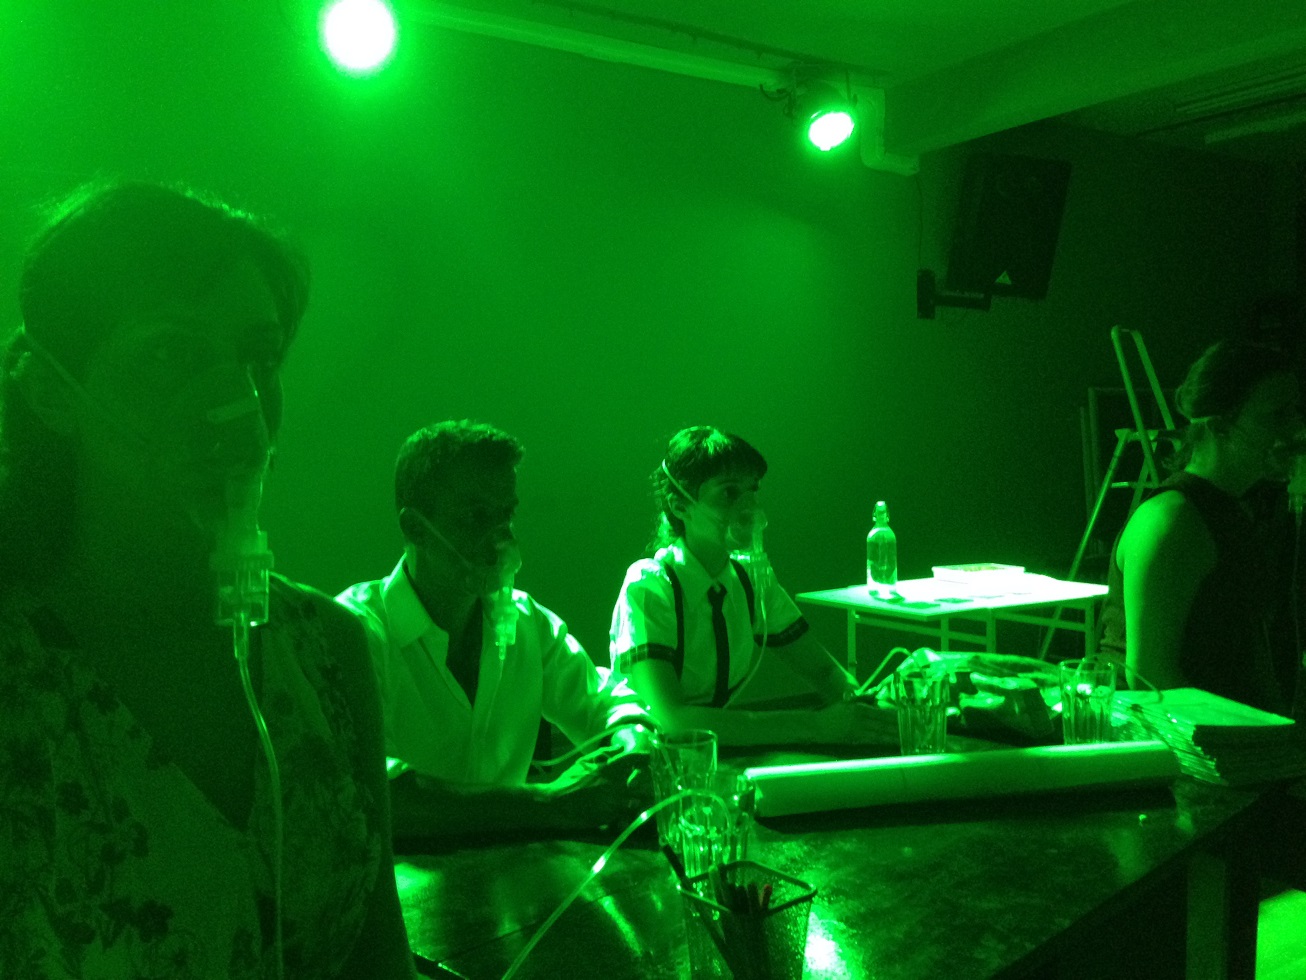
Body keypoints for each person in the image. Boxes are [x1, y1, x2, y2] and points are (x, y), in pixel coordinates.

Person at [0, 182, 416, 979]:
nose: (237, 407)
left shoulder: (327, 654)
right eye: (170, 353)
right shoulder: (20, 678)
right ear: (52, 389)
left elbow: (376, 960)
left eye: (259, 358)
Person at [337, 420, 651, 841]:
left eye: (506, 515)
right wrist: (552, 802)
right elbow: (377, 794)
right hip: (403, 879)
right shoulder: (356, 631)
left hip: (517, 875)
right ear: (415, 528)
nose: (500, 540)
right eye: (476, 517)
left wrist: (633, 741)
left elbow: (606, 701)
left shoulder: (525, 620)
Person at [609, 425, 898, 746]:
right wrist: (815, 725)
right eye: (729, 493)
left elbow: (823, 672)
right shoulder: (650, 586)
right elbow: (673, 720)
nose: (748, 508)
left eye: (752, 490)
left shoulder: (750, 580)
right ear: (680, 505)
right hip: (649, 754)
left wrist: (864, 709)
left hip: (714, 749)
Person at [1098, 337, 1302, 712]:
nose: (1297, 430)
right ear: (1220, 425)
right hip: (1174, 742)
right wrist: (1250, 737)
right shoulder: (1173, 520)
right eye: (1277, 415)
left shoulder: (1237, 509)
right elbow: (1152, 677)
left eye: (1296, 412)